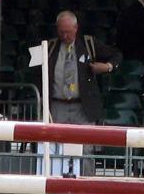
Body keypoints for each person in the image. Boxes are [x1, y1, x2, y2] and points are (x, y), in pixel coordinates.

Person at [47, 10, 122, 176]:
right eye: (62, 32)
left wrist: (107, 67)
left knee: (86, 150)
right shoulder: (50, 47)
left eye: (68, 31)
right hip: (57, 105)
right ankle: (54, 187)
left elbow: (117, 55)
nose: (65, 35)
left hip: (83, 107)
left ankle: (87, 191)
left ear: (76, 28)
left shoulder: (89, 44)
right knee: (54, 149)